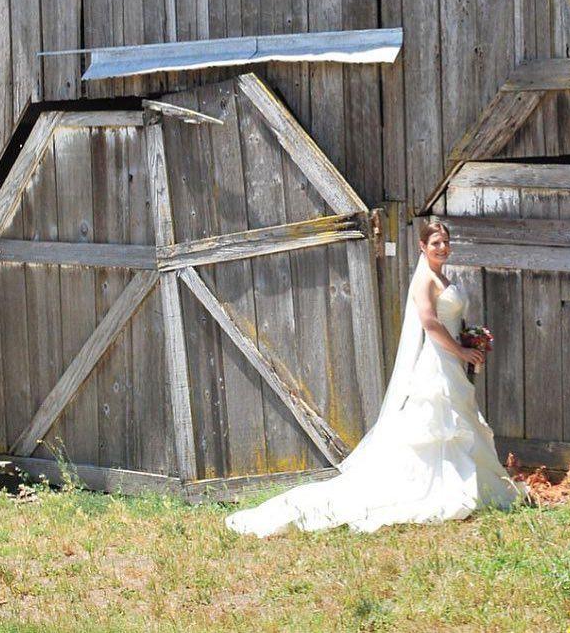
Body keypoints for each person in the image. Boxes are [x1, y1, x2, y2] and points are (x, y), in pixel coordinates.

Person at [224, 218, 531, 536]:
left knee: (457, 422)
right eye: (435, 243)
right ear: (422, 247)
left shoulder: (442, 276)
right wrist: (460, 350)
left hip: (451, 358)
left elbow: (449, 318)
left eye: (445, 242)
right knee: (437, 424)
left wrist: (469, 340)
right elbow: (429, 322)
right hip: (439, 361)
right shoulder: (423, 279)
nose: (442, 247)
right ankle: (437, 488)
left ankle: (466, 484)